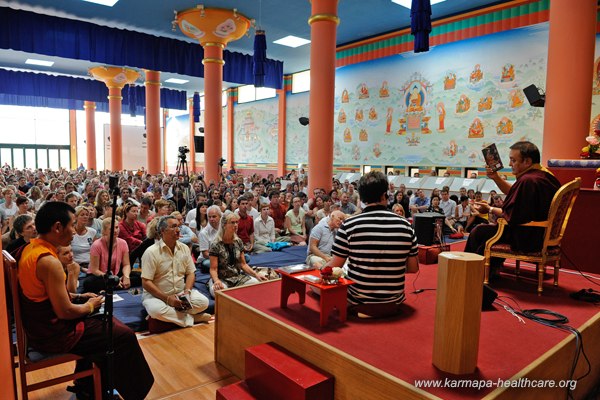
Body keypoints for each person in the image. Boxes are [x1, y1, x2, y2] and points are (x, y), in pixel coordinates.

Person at [17, 202, 154, 399]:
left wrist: (80, 296)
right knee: (123, 335)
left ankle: (89, 386)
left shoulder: (29, 248)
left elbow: (45, 294)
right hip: (52, 334)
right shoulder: (48, 261)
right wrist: (90, 305)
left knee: (107, 325)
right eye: (72, 225)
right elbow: (65, 312)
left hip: (38, 324)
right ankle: (136, 393)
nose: (74, 231)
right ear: (57, 227)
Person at [326, 171, 419, 318]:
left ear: (361, 197)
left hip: (358, 302)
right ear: (385, 194)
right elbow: (413, 268)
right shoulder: (406, 226)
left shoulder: (349, 225)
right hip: (393, 302)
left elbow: (334, 267)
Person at [465, 141, 561, 277]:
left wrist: (490, 209)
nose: (509, 164)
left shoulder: (527, 181)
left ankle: (471, 273)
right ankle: (489, 270)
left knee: (479, 231)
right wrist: (496, 178)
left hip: (528, 236)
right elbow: (516, 195)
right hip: (542, 234)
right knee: (488, 233)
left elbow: (510, 216)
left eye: (513, 160)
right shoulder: (544, 175)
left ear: (527, 161)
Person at [141, 216, 211, 328]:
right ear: (162, 231)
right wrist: (168, 299)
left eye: (178, 226)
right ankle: (192, 318)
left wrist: (187, 292)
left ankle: (173, 317)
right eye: (173, 227)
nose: (178, 229)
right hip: (157, 296)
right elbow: (146, 282)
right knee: (156, 310)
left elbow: (191, 273)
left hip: (180, 293)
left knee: (203, 302)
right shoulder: (151, 252)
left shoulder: (184, 248)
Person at [208, 212, 267, 297]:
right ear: (224, 225)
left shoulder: (238, 241)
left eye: (236, 222)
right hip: (222, 279)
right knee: (218, 293)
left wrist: (256, 275)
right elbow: (213, 269)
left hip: (237, 277)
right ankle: (211, 282)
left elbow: (243, 264)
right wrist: (216, 280)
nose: (236, 225)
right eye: (232, 222)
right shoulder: (216, 244)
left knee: (256, 284)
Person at [84, 217, 136, 293]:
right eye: (111, 229)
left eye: (117, 227)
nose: (115, 231)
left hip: (116, 274)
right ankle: (116, 285)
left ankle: (116, 285)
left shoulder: (123, 243)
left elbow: (126, 264)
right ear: (104, 231)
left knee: (138, 276)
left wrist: (126, 276)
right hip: (100, 276)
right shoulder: (96, 245)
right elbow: (94, 270)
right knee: (88, 283)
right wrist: (113, 280)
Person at [71, 206, 96, 272]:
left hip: (91, 265)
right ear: (76, 217)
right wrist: (81, 269)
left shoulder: (92, 232)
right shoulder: (70, 233)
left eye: (87, 215)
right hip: (75, 266)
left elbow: (96, 251)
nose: (85, 217)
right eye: (82, 215)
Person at [197, 205, 222, 273]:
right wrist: (221, 258)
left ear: (220, 217)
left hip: (223, 256)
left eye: (214, 216)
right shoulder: (203, 233)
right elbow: (205, 254)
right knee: (206, 264)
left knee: (246, 257)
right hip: (209, 259)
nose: (211, 219)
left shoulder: (224, 229)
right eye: (209, 217)